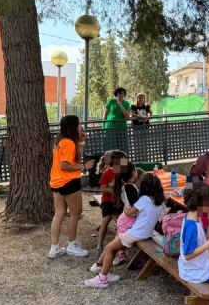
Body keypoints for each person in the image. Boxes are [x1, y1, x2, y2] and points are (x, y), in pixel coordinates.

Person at [85, 173, 165, 288]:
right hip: (147, 233)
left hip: (136, 234)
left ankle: (102, 278)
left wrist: (125, 208)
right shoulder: (160, 201)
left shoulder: (143, 200)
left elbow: (128, 213)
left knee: (108, 248)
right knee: (114, 246)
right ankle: (101, 268)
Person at [49, 115, 94, 259]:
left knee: (59, 213)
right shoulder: (68, 143)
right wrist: (83, 166)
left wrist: (81, 142)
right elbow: (65, 165)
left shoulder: (60, 142)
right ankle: (71, 245)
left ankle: (54, 247)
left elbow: (72, 158)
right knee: (76, 213)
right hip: (68, 182)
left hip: (56, 182)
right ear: (73, 126)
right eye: (79, 124)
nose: (81, 126)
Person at [94, 149, 128, 260]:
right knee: (106, 219)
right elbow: (103, 188)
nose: (125, 164)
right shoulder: (107, 172)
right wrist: (113, 191)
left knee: (122, 221)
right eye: (123, 162)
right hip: (108, 201)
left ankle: (120, 249)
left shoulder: (123, 173)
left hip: (119, 202)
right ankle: (99, 246)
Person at [111, 162, 140, 266]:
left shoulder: (126, 186)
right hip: (129, 218)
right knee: (118, 240)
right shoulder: (130, 188)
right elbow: (135, 205)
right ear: (133, 173)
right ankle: (114, 255)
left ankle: (119, 253)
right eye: (136, 170)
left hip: (126, 217)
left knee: (119, 237)